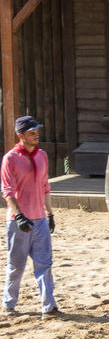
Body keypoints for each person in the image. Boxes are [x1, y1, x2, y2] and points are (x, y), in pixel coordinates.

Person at [1, 115, 61, 319]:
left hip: (40, 220)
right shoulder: (10, 159)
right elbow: (7, 191)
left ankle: (49, 307)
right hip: (18, 222)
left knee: (45, 264)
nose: (36, 136)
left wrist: (50, 213)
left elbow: (45, 186)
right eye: (32, 133)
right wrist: (19, 216)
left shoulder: (42, 155)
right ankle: (9, 304)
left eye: (37, 132)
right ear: (21, 135)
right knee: (16, 265)